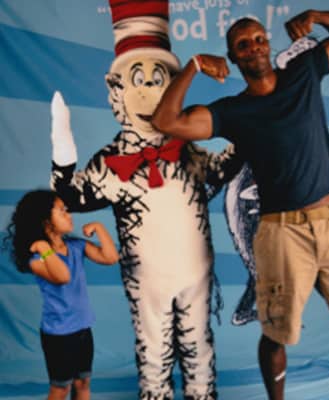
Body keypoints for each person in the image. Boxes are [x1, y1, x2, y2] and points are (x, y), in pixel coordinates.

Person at [49, 2, 241, 396]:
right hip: (146, 281)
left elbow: (219, 172)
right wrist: (62, 153)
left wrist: (250, 129)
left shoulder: (186, 147)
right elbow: (71, 196)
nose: (152, 88)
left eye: (160, 78)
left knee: (199, 348)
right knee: (153, 354)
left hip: (195, 273)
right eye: (139, 78)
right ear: (116, 88)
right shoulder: (111, 163)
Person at [148, 9, 329, 399]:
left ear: (268, 44)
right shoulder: (233, 111)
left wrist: (318, 15)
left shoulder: (304, 72)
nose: (253, 47)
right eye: (242, 45)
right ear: (232, 58)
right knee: (275, 333)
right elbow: (166, 121)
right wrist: (194, 66)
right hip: (282, 231)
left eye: (258, 39)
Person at [5, 191, 119, 400]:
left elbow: (110, 258)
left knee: (83, 383)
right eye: (62, 211)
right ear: (45, 221)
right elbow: (62, 276)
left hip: (83, 329)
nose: (69, 215)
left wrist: (100, 228)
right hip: (58, 335)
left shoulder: (76, 246)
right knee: (61, 388)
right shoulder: (38, 259)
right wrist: (44, 247)